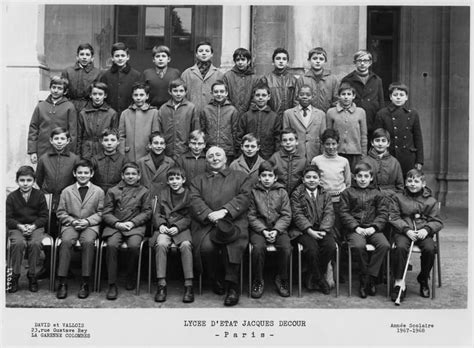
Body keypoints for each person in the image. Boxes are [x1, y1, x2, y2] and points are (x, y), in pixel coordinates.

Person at [189, 146, 251, 306]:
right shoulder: (198, 180)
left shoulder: (240, 177)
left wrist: (224, 211)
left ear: (225, 159)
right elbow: (194, 199)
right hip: (207, 223)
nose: (215, 158)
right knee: (206, 248)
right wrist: (210, 214)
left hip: (233, 221)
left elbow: (245, 197)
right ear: (206, 160)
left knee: (233, 245)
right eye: (210, 156)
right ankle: (215, 278)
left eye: (218, 155)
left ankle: (233, 286)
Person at [390, 169, 443, 301]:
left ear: (423, 184)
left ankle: (423, 278)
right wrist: (406, 230)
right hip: (404, 232)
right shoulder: (397, 197)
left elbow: (437, 221)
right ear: (405, 183)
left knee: (430, 249)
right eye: (409, 181)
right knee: (400, 247)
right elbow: (393, 217)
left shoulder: (430, 201)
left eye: (416, 181)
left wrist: (426, 229)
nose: (413, 184)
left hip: (423, 233)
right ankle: (399, 282)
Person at [338, 162, 390, 298]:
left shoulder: (378, 194)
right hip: (355, 229)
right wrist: (356, 227)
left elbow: (383, 214)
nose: (362, 179)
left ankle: (369, 278)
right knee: (358, 245)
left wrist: (374, 227)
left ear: (371, 178)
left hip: (373, 228)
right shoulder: (347, 193)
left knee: (384, 245)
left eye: (366, 176)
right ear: (354, 177)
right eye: (359, 176)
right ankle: (364, 279)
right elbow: (344, 213)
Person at [55, 159, 104, 299]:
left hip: (90, 225)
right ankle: (62, 282)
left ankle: (85, 281)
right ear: (74, 173)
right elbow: (61, 212)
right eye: (80, 172)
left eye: (86, 172)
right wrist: (72, 221)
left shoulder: (98, 191)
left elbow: (101, 212)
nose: (83, 175)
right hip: (71, 224)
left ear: (92, 174)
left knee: (88, 242)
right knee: (66, 241)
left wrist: (88, 221)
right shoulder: (66, 191)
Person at [102, 162, 152, 300]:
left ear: (139, 176)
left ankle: (131, 275)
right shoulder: (113, 191)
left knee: (134, 246)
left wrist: (132, 222)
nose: (131, 176)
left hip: (134, 226)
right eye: (128, 174)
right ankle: (112, 283)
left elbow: (147, 212)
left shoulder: (144, 191)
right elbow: (106, 212)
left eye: (134, 174)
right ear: (122, 175)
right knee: (111, 246)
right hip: (115, 226)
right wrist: (117, 223)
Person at [289, 165, 336, 294]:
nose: (311, 180)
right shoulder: (297, 194)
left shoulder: (325, 194)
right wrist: (309, 231)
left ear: (319, 180)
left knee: (330, 246)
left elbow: (329, 213)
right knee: (312, 249)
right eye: (308, 177)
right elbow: (297, 215)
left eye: (315, 177)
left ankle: (314, 275)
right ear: (303, 180)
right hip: (303, 231)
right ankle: (320, 279)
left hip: (321, 229)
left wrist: (324, 230)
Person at [248, 161, 292, 298]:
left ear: (275, 178)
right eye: (264, 175)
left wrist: (276, 230)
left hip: (278, 229)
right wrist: (263, 231)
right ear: (259, 177)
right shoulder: (253, 192)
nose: (267, 178)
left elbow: (286, 214)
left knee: (286, 248)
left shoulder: (282, 192)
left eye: (270, 175)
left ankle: (282, 278)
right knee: (257, 248)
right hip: (259, 230)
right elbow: (251, 215)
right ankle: (258, 280)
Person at [151, 166, 194, 303]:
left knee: (186, 245)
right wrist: (162, 225)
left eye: (178, 178)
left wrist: (178, 226)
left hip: (181, 229)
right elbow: (157, 213)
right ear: (168, 181)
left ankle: (188, 285)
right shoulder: (163, 193)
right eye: (171, 179)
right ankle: (161, 284)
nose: (175, 181)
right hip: (165, 228)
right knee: (161, 244)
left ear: (183, 180)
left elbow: (190, 216)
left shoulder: (189, 194)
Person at [6, 166, 49, 293]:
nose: (25, 183)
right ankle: (15, 276)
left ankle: (32, 276)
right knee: (18, 244)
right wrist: (19, 226)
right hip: (17, 228)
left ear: (34, 181)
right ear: (17, 181)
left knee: (35, 244)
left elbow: (44, 216)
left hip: (35, 227)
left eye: (29, 180)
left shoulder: (39, 195)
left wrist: (34, 226)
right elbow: (8, 218)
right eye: (22, 180)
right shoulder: (12, 197)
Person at [374, 82, 424, 177]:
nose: (398, 97)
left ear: (406, 97)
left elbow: (418, 138)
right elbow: (377, 137)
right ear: (390, 97)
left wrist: (419, 160)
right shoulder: (382, 114)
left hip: (408, 158)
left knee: (408, 183)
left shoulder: (413, 114)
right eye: (395, 95)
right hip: (388, 156)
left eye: (401, 95)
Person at [311, 129, 351, 244]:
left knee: (338, 230)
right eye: (327, 144)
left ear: (338, 144)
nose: (331, 147)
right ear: (323, 144)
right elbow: (313, 179)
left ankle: (337, 259)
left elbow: (348, 183)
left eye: (333, 144)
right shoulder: (317, 160)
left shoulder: (343, 161)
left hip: (339, 200)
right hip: (323, 201)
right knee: (326, 229)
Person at [28, 76, 77, 163]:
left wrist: (70, 152)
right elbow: (33, 128)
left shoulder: (69, 107)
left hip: (62, 149)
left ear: (65, 91)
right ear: (50, 88)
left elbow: (72, 132)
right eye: (53, 87)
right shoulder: (41, 106)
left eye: (59, 88)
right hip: (43, 149)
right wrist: (33, 151)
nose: (56, 90)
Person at [36, 127, 80, 214]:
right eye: (56, 138)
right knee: (49, 221)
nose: (59, 142)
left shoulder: (74, 159)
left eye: (62, 139)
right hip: (48, 196)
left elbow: (76, 179)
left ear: (68, 141)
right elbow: (39, 178)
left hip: (67, 197)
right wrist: (46, 190)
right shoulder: (43, 158)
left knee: (63, 220)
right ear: (51, 140)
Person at [341, 49, 384, 136]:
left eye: (365, 61)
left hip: (372, 119)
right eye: (359, 61)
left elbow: (381, 101)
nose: (362, 63)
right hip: (353, 119)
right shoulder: (347, 80)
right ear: (355, 62)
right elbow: (342, 100)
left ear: (370, 62)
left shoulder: (376, 80)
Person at [326, 82, 368, 171]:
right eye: (343, 94)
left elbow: (364, 135)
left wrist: (363, 155)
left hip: (355, 153)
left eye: (349, 94)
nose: (346, 97)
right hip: (337, 152)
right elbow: (328, 135)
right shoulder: (331, 112)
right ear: (339, 96)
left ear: (354, 96)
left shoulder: (360, 112)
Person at [236, 83, 281, 160]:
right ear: (253, 97)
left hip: (268, 155)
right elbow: (239, 137)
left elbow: (278, 139)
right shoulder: (246, 116)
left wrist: (275, 157)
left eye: (263, 95)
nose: (260, 98)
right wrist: (242, 154)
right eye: (257, 95)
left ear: (269, 97)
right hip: (248, 154)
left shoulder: (274, 117)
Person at [157, 78, 199, 159]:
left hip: (185, 150)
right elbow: (159, 129)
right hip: (167, 151)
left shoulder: (191, 108)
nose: (178, 94)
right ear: (170, 92)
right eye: (175, 91)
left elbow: (195, 130)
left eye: (181, 91)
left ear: (186, 92)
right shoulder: (163, 108)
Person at [283, 84, 326, 163]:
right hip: (295, 155)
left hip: (314, 154)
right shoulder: (288, 114)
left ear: (313, 96)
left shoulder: (321, 114)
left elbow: (323, 137)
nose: (305, 97)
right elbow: (285, 135)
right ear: (297, 96)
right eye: (301, 94)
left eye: (308, 95)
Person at [118, 82, 159, 162]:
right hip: (129, 154)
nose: (138, 98)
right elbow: (121, 136)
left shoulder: (154, 112)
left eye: (141, 95)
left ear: (147, 96)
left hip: (147, 153)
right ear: (132, 96)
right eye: (136, 95)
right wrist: (122, 153)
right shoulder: (125, 113)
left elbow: (155, 134)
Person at [200, 80, 239, 163]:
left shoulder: (232, 110)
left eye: (222, 91)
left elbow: (235, 132)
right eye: (216, 91)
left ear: (226, 93)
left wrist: (235, 149)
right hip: (210, 149)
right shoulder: (206, 110)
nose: (219, 94)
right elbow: (202, 130)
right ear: (212, 93)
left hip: (227, 150)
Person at [77, 81, 118, 160]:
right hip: (86, 150)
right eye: (94, 94)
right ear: (90, 95)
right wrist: (78, 155)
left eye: (100, 94)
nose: (97, 97)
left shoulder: (111, 113)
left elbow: (115, 135)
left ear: (105, 95)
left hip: (104, 150)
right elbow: (79, 136)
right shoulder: (83, 113)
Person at [181, 41, 224, 114]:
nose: (204, 53)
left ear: (211, 54)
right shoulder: (187, 73)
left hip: (212, 113)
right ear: (196, 54)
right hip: (191, 113)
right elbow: (182, 95)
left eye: (207, 51)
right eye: (200, 51)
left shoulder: (219, 74)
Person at [99, 42, 141, 116]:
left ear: (128, 57)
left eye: (123, 55)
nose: (120, 58)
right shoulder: (106, 76)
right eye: (117, 56)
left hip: (130, 114)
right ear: (112, 58)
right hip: (110, 114)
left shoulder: (136, 75)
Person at [361, 128, 404, 197]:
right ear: (372, 143)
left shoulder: (394, 162)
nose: (380, 144)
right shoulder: (365, 161)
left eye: (383, 141)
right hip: (370, 198)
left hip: (390, 198)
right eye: (377, 140)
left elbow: (400, 186)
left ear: (388, 143)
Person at [294, 47, 339, 113]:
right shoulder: (303, 79)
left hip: (326, 117)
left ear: (325, 61)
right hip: (308, 118)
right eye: (314, 58)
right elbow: (297, 100)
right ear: (309, 60)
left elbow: (337, 101)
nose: (318, 61)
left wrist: (332, 116)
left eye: (321, 59)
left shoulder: (332, 79)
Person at [61, 43, 101, 112]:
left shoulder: (97, 73)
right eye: (82, 54)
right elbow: (62, 92)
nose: (84, 57)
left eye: (87, 55)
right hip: (70, 107)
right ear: (77, 57)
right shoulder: (67, 72)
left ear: (92, 58)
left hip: (90, 108)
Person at [223, 47, 261, 117]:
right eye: (238, 60)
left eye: (243, 59)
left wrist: (249, 112)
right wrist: (231, 110)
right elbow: (225, 95)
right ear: (234, 61)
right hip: (230, 114)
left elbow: (255, 97)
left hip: (249, 115)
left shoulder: (255, 78)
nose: (240, 62)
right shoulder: (227, 76)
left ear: (248, 61)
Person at [141, 45, 181, 109]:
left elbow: (180, 91)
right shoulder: (147, 73)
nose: (160, 59)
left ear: (169, 59)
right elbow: (142, 92)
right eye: (157, 56)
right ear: (153, 59)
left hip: (171, 108)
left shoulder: (175, 73)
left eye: (163, 56)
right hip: (151, 108)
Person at [261, 48, 297, 118]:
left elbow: (296, 101)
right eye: (278, 58)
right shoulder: (266, 79)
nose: (281, 61)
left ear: (287, 62)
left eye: (284, 59)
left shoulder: (293, 80)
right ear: (273, 62)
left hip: (289, 118)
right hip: (271, 118)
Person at [268, 128, 306, 195]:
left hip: (297, 197)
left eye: (291, 140)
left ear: (296, 141)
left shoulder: (303, 159)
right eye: (285, 140)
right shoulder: (275, 158)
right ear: (281, 143)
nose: (288, 142)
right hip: (278, 195)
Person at [91, 128, 127, 193]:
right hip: (97, 193)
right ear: (101, 141)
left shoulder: (123, 160)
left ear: (118, 142)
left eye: (113, 140)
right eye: (106, 140)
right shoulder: (95, 160)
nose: (109, 143)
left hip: (117, 194)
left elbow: (125, 180)